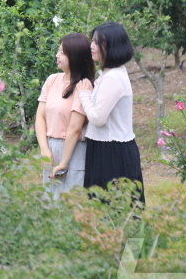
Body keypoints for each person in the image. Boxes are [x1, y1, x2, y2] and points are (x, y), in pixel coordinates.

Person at [57, 21, 145, 204]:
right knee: (105, 207)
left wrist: (84, 95)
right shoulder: (109, 75)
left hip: (112, 152)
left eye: (97, 42)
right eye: (92, 41)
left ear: (112, 46)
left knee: (113, 208)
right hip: (105, 147)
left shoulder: (113, 78)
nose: (91, 46)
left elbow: (98, 118)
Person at [36, 33, 95, 196]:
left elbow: (74, 129)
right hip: (50, 147)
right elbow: (40, 117)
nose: (57, 55)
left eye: (62, 52)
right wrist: (44, 149)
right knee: (49, 202)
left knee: (70, 202)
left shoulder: (84, 85)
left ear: (75, 56)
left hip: (73, 150)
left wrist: (64, 161)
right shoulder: (52, 80)